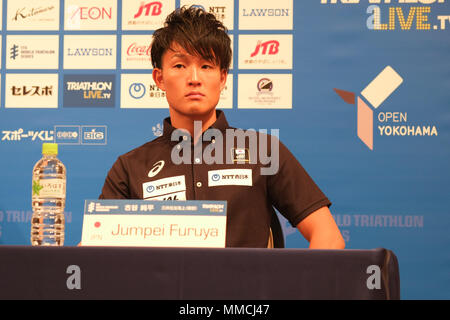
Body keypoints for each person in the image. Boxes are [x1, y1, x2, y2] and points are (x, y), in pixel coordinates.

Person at [99, 6, 345, 249]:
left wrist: (287, 289)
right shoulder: (130, 167)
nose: (194, 78)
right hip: (165, 290)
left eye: (206, 66)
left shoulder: (262, 151)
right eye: (179, 66)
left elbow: (328, 236)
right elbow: (97, 250)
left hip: (250, 290)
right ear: (159, 78)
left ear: (223, 77)